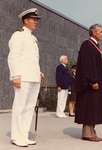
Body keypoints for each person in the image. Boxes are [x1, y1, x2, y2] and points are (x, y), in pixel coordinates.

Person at [8, 8, 44, 147]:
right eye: (33, 19)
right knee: (20, 106)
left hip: (34, 77)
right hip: (22, 77)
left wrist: (38, 72)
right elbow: (13, 57)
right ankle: (16, 137)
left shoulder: (33, 38)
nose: (36, 22)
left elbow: (32, 59)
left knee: (29, 108)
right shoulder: (18, 35)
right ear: (25, 21)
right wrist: (15, 76)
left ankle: (24, 135)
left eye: (36, 20)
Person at [75, 24, 102, 142]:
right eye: (101, 32)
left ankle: (92, 131)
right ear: (94, 32)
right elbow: (86, 65)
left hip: (97, 82)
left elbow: (100, 66)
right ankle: (87, 133)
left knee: (94, 107)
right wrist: (92, 81)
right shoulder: (87, 45)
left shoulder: (96, 46)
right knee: (89, 107)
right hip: (90, 84)